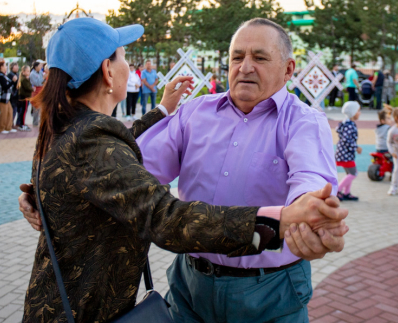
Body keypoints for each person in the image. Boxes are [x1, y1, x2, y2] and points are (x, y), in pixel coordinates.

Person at [18, 18, 349, 322]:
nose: (245, 67)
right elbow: (146, 193)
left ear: (288, 69)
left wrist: (311, 216)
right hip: (190, 289)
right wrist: (278, 222)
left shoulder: (303, 122)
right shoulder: (195, 113)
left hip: (269, 293)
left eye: (259, 57)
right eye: (237, 57)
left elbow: (311, 182)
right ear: (108, 71)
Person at [335, 101, 362, 202]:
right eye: (358, 111)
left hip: (343, 153)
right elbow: (346, 140)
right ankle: (337, 190)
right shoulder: (349, 125)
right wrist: (356, 147)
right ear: (353, 112)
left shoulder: (346, 123)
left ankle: (347, 192)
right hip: (345, 154)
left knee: (349, 173)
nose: (360, 113)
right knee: (353, 173)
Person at [0, 61, 17, 134]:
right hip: (2, 97)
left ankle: (8, 127)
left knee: (10, 112)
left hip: (7, 98)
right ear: (1, 67)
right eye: (5, 66)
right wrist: (13, 81)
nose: (6, 67)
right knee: (3, 113)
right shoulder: (0, 76)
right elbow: (4, 87)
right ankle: (1, 128)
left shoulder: (3, 75)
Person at [17, 65, 32, 131]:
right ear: (23, 72)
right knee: (23, 111)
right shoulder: (24, 79)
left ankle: (22, 123)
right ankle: (22, 125)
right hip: (24, 97)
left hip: (24, 97)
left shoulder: (24, 78)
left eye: (29, 71)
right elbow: (28, 87)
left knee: (23, 111)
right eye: (27, 71)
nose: (29, 73)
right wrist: (32, 89)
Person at [30, 61, 44, 126]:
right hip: (35, 92)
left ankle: (40, 122)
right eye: (40, 65)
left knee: (41, 108)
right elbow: (37, 83)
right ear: (36, 67)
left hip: (41, 91)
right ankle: (35, 123)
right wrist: (43, 78)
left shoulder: (41, 72)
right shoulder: (32, 74)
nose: (41, 67)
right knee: (36, 108)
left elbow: (42, 82)